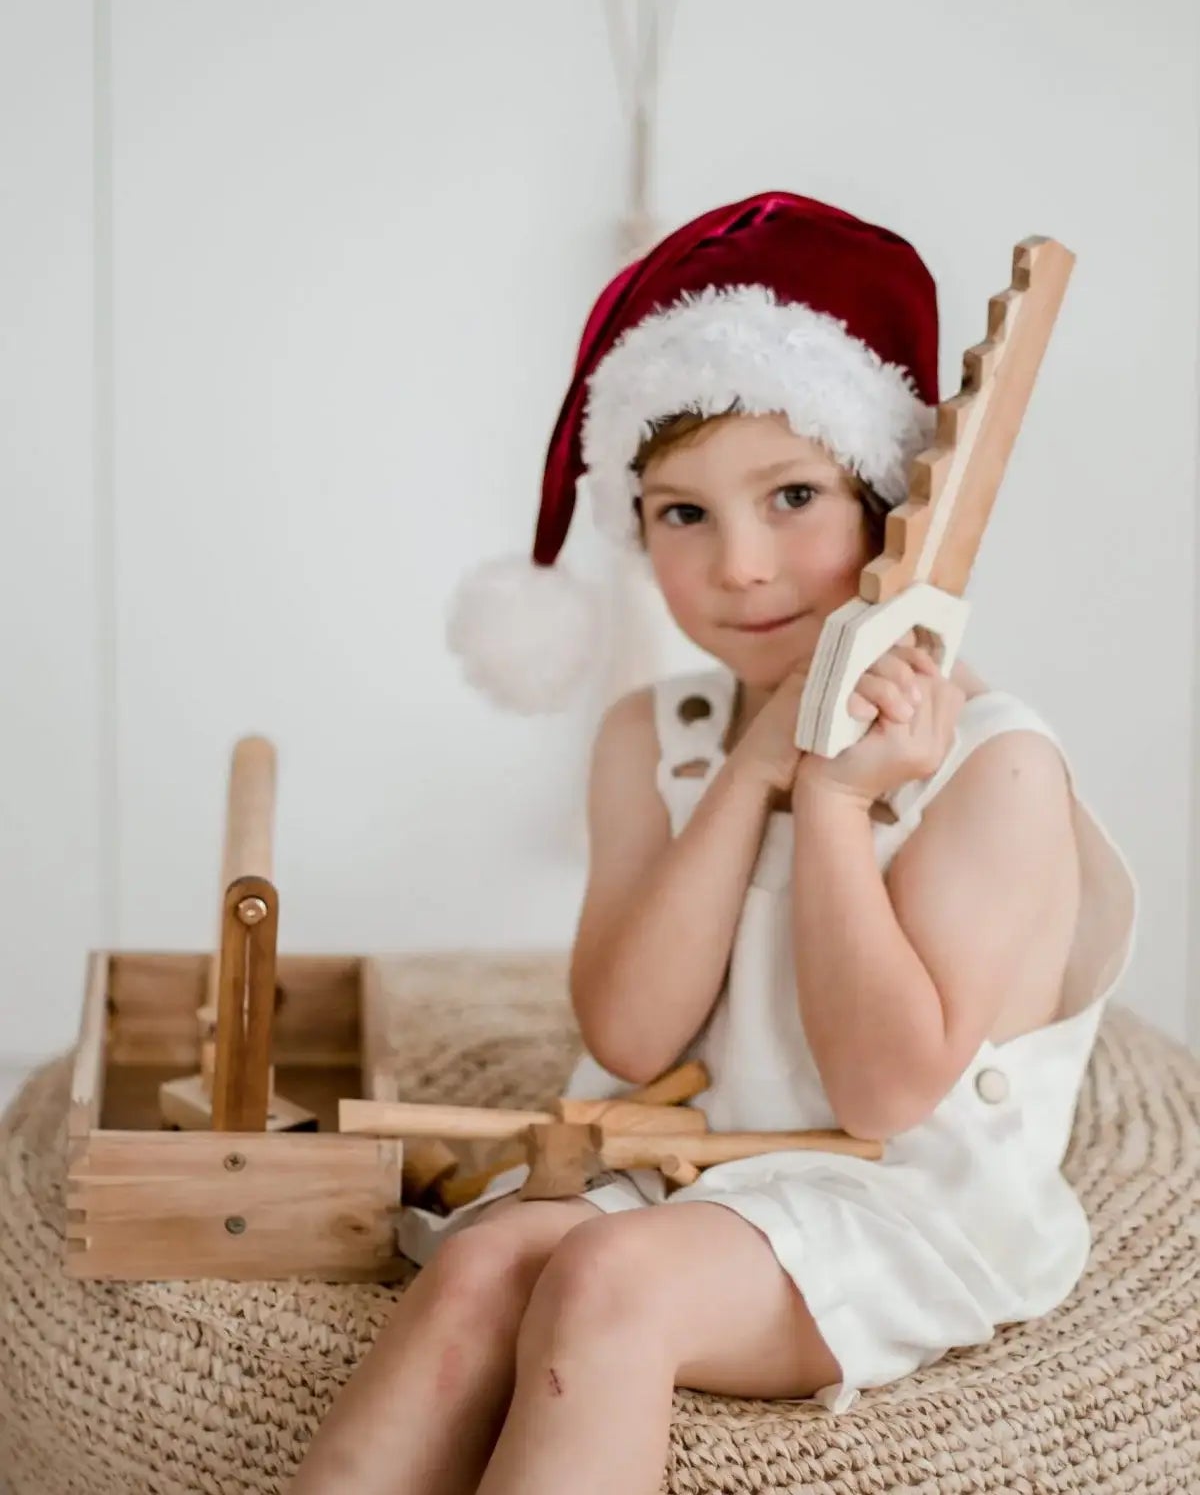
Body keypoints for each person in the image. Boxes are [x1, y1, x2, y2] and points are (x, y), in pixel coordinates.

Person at [290, 191, 1137, 1495]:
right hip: (686, 1163)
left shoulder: (994, 767)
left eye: (792, 495)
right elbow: (630, 1037)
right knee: (477, 1265)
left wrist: (840, 804)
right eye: (682, 514)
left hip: (894, 1197)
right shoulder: (655, 735)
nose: (740, 565)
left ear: (887, 505)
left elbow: (880, 1098)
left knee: (606, 1278)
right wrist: (756, 766)